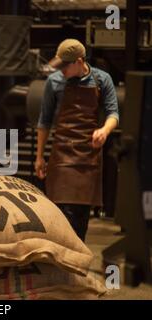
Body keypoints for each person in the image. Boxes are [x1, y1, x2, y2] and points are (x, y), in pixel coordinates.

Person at [35, 39, 119, 241]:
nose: (61, 70)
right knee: (58, 216)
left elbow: (113, 114)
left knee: (79, 220)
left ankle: (76, 264)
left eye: (66, 66)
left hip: (87, 158)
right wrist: (39, 157)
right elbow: (44, 122)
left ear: (80, 61)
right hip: (61, 156)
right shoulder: (54, 82)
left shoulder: (101, 80)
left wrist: (104, 131)